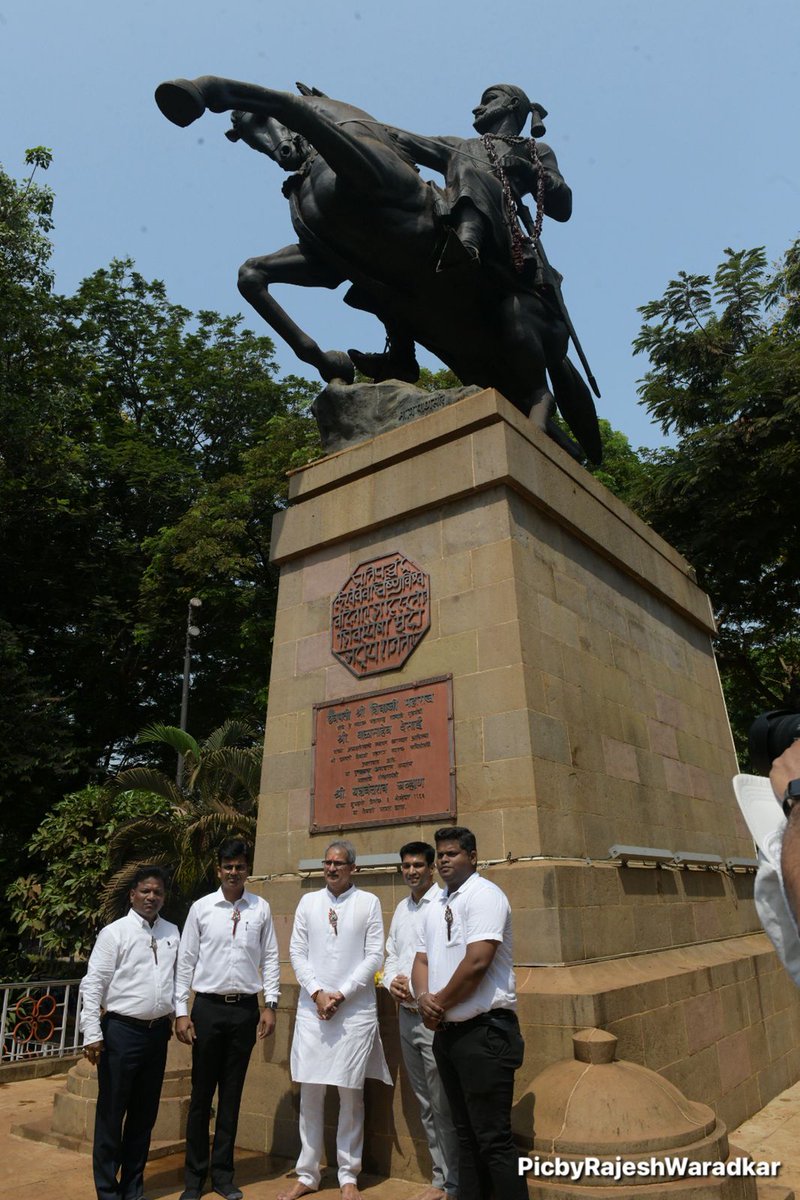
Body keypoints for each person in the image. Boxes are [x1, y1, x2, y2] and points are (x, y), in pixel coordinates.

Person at [350, 82, 572, 384]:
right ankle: (401, 353)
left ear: (511, 105)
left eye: (488, 100)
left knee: (470, 173)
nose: (477, 108)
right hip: (451, 222)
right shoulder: (459, 146)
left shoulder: (534, 150)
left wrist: (529, 170)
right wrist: (346, 120)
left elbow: (563, 207)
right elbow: (399, 138)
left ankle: (470, 244)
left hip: (504, 238)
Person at [412, 826, 526, 1200]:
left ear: (472, 857)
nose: (444, 860)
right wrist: (424, 998)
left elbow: (477, 962)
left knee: (493, 1140)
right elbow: (422, 958)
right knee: (464, 1135)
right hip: (447, 1036)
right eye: (440, 854)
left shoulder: (485, 896)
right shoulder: (434, 903)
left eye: (452, 853)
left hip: (484, 1034)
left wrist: (436, 1004)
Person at [277, 840, 390, 1200]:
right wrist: (316, 993)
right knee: (310, 1092)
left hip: (353, 1012)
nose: (331, 869)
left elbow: (374, 954)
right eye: (327, 863)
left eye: (339, 863)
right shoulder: (308, 902)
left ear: (352, 868)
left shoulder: (368, 903)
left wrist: (340, 993)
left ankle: (347, 1174)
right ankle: (307, 1173)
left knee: (350, 1094)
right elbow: (296, 951)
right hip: (314, 1012)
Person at [175, 838, 280, 1200]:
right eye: (228, 866)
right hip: (207, 1008)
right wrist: (181, 1012)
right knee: (202, 1096)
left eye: (240, 866)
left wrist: (271, 1005)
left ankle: (223, 1176)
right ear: (218, 869)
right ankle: (194, 1179)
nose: (234, 872)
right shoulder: (202, 909)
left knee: (232, 1096)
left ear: (248, 869)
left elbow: (270, 957)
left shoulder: (260, 908)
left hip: (244, 1010)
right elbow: (185, 961)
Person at [81, 865, 179, 1200]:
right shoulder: (115, 933)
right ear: (132, 894)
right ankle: (107, 1192)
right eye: (146, 891)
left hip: (156, 1036)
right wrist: (91, 1031)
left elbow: (178, 981)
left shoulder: (172, 932)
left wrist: (178, 1017)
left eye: (158, 892)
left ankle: (132, 1189)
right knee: (112, 1115)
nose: (152, 897)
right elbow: (94, 983)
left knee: (143, 1116)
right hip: (121, 1032)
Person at [384, 841, 458, 1200]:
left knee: (443, 1102)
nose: (411, 871)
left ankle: (453, 1183)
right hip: (405, 1017)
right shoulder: (401, 909)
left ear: (430, 868)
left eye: (418, 865)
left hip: (433, 1019)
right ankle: (440, 1176)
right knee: (425, 1103)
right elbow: (392, 954)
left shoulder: (445, 904)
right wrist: (392, 982)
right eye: (406, 865)